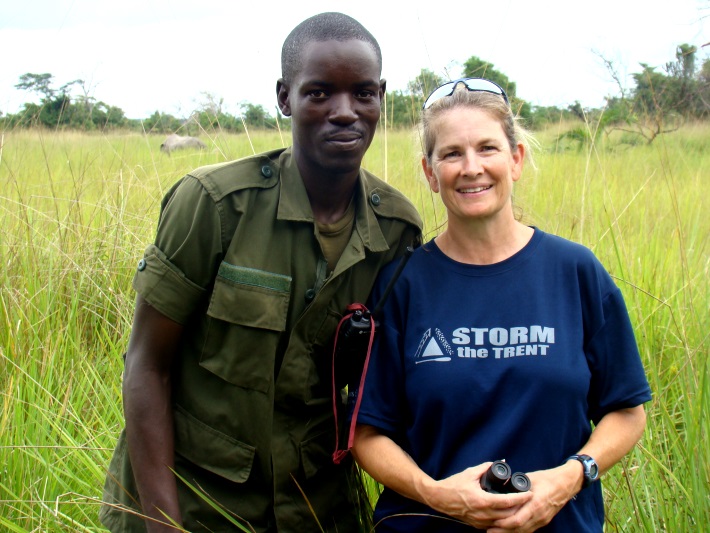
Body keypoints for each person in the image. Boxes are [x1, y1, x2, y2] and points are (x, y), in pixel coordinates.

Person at [99, 12, 422, 533]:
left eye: (363, 93)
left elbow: (383, 389)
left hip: (315, 504)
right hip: (195, 498)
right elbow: (146, 365)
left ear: (381, 96)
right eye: (319, 93)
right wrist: (162, 523)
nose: (345, 112)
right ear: (283, 97)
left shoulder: (397, 230)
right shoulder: (216, 205)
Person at [350, 78, 651, 532]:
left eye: (487, 148)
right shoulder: (404, 284)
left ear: (516, 159)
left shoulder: (575, 271)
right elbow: (367, 433)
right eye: (451, 154)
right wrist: (438, 495)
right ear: (431, 174)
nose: (471, 168)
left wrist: (568, 479)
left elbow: (627, 411)